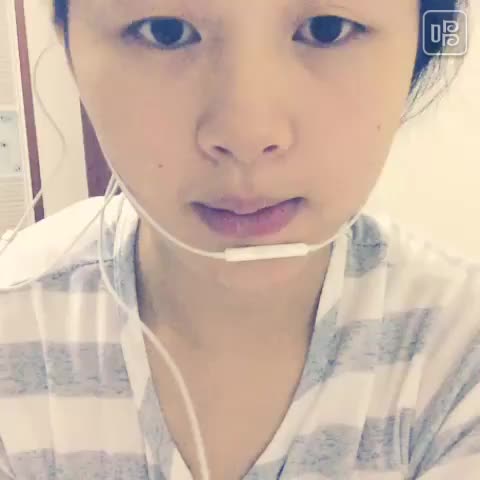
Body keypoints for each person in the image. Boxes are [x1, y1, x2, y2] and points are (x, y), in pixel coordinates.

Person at [0, 0, 478, 478]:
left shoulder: (460, 354)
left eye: (326, 29)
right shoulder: (14, 324)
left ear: (424, 38)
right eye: (165, 31)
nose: (247, 135)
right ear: (68, 45)